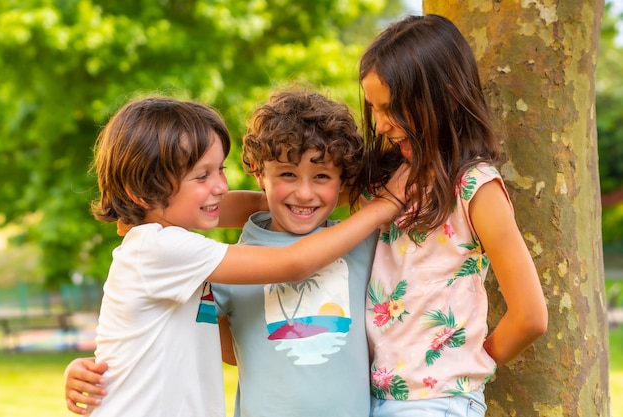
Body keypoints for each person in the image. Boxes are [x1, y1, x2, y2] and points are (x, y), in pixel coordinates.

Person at [64, 96, 405, 417]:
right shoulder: (158, 248)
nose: (222, 187)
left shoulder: (165, 247)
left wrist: (283, 197)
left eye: (220, 170)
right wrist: (383, 206)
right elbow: (294, 263)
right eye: (202, 175)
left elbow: (224, 348)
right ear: (143, 190)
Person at [351, 14, 548, 416]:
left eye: (392, 109)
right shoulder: (389, 178)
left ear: (447, 96)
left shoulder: (475, 188)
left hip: (439, 401)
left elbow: (530, 316)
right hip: (372, 396)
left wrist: (466, 365)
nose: (381, 124)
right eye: (373, 108)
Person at [213, 89, 374, 417]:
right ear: (259, 172)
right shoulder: (231, 265)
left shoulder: (361, 245)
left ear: (342, 181)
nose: (304, 193)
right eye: (288, 174)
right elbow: (189, 340)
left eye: (322, 176)